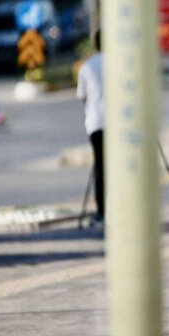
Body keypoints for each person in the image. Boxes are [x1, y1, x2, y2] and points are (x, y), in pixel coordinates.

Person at [77, 30, 105, 225]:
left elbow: (83, 96)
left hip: (97, 123)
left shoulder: (87, 66)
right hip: (121, 124)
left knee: (101, 167)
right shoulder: (124, 63)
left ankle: (102, 211)